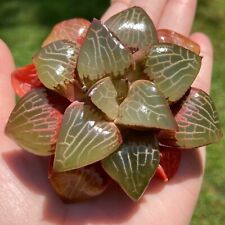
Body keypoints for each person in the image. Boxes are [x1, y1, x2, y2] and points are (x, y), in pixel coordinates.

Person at [0, 0, 213, 224]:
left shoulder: (156, 107)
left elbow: (180, 63)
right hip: (88, 124)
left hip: (132, 135)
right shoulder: (81, 60)